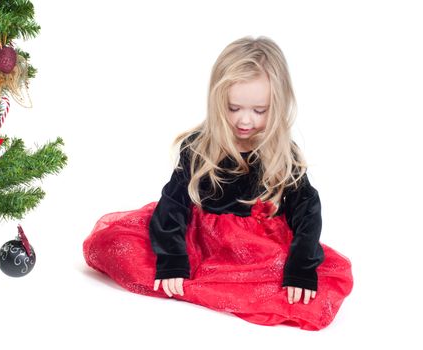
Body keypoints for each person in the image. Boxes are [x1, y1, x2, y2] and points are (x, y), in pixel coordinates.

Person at [83, 36, 353, 331]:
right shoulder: (199, 148)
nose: (245, 120)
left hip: (255, 251)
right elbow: (172, 205)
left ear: (277, 105)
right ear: (217, 100)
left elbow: (307, 210)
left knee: (306, 288)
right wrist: (173, 258)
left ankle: (245, 281)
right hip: (199, 241)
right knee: (119, 245)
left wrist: (301, 265)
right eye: (233, 107)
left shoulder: (283, 154)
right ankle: (194, 276)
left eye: (259, 111)